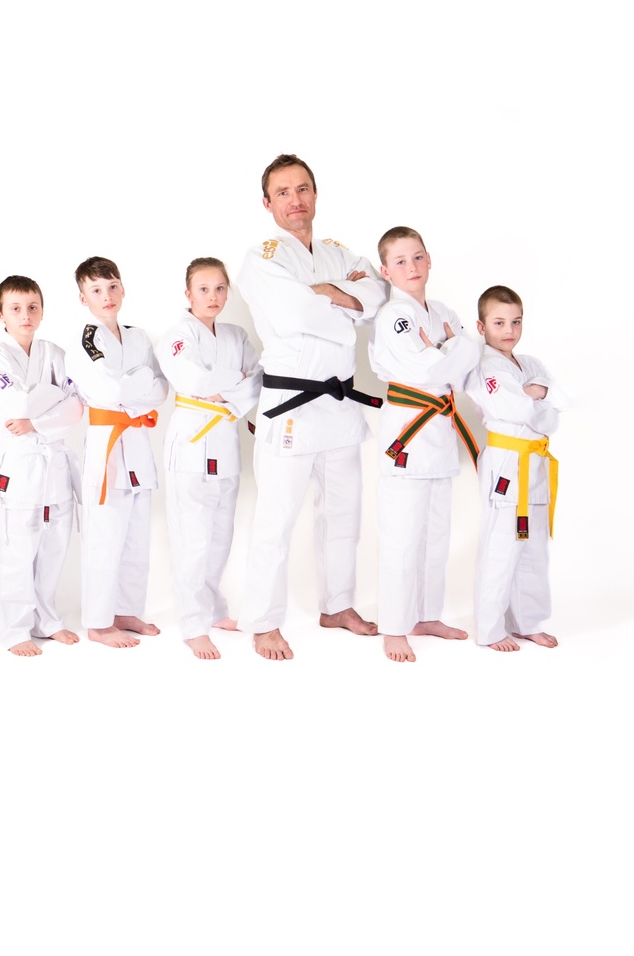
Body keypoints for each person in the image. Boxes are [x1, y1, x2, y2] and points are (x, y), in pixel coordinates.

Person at [236, 153, 386, 660]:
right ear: (267, 203)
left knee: (343, 513)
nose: (295, 200)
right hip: (292, 405)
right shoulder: (261, 258)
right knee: (276, 519)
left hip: (340, 403)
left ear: (316, 194)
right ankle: (263, 622)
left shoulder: (339, 251)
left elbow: (380, 292)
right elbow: (296, 312)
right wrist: (348, 304)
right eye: (283, 192)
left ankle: (337, 605)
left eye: (303, 189)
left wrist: (327, 293)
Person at [369, 228, 483, 663]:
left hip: (440, 433)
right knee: (402, 536)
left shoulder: (443, 311)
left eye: (418, 257)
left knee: (436, 534)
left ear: (429, 259)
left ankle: (426, 615)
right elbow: (426, 371)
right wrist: (454, 348)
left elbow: (461, 370)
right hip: (409, 436)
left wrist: (447, 351)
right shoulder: (393, 317)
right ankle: (395, 627)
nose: (412, 267)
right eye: (400, 261)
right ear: (385, 271)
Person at [154, 259, 261, 660]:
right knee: (192, 539)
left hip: (225, 441)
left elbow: (258, 380)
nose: (212, 296)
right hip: (192, 444)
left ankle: (215, 611)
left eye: (219, 288)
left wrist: (227, 391)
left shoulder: (236, 335)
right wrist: (234, 380)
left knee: (219, 537)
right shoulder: (177, 337)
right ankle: (193, 626)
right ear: (188, 293)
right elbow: (193, 381)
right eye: (203, 289)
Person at [0, 274, 83, 656]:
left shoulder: (55, 353)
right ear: (1, 314)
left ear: (42, 311)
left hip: (54, 463)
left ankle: (47, 621)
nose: (25, 315)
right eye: (16, 308)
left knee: (53, 547)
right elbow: (17, 405)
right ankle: (13, 630)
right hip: (22, 465)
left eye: (32, 307)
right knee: (18, 551)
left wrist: (36, 422)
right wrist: (53, 396)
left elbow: (77, 406)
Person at [69, 256, 167, 649]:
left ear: (122, 288)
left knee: (136, 537)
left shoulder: (139, 337)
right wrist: (138, 382)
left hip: (138, 444)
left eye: (112, 286)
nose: (106, 295)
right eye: (95, 290)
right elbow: (108, 391)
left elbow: (161, 389)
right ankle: (98, 622)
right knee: (105, 536)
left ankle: (126, 610)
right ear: (83, 298)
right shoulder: (86, 340)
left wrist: (132, 385)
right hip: (107, 445)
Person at [464, 286, 566, 652]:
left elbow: (559, 406)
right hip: (507, 465)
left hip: (535, 463)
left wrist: (542, 394)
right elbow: (523, 411)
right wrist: (537, 398)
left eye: (516, 321)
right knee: (502, 546)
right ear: (481, 326)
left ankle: (528, 622)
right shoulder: (484, 368)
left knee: (534, 548)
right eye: (499, 322)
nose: (509, 330)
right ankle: (490, 629)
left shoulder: (531, 364)